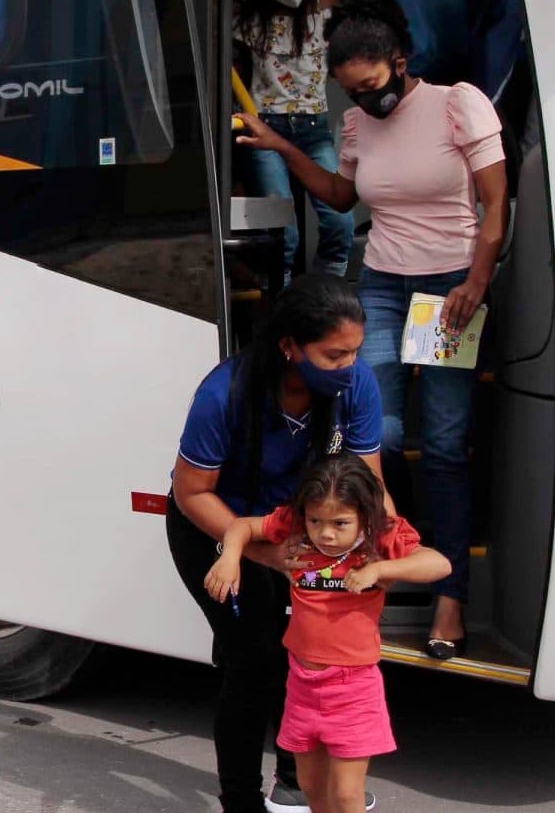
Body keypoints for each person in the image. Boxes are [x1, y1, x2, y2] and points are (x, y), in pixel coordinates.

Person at [233, 0, 509, 658]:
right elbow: (340, 194)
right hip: (383, 284)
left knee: (442, 442)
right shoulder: (357, 126)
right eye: (351, 91)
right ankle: (379, 564)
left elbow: (497, 200)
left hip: (449, 289)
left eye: (373, 84)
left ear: (400, 60)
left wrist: (476, 279)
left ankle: (450, 595)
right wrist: (280, 145)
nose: (364, 100)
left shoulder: (457, 103)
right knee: (374, 432)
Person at [167, 273, 389, 813]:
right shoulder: (225, 394)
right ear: (290, 346)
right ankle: (240, 801)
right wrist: (263, 555)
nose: (349, 367)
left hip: (298, 532)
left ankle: (294, 783)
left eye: (356, 352)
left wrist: (390, 548)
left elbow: (369, 486)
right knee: (255, 661)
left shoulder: (355, 385)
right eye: (334, 354)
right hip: (216, 527)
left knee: (305, 650)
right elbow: (191, 491)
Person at [206, 455, 450, 813]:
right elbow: (242, 527)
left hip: (352, 688)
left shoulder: (379, 540)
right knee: (311, 788)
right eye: (316, 520)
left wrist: (381, 568)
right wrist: (230, 557)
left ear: (365, 517)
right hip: (302, 685)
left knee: (348, 795)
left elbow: (438, 564)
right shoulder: (296, 529)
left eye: (340, 523)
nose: (326, 533)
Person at [234, 0, 353, 280]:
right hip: (264, 129)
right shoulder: (249, 21)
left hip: (313, 127)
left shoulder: (327, 9)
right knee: (282, 233)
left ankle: (326, 291)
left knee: (340, 221)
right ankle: (282, 299)